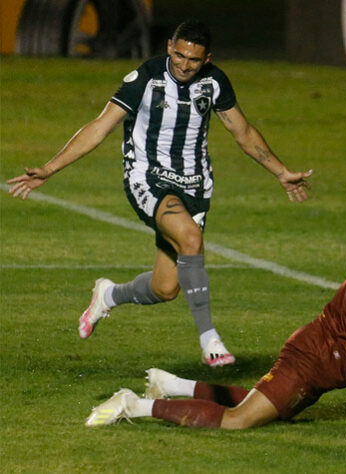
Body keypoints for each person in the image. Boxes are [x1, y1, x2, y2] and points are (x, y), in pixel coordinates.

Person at [6, 19, 313, 367]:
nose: (184, 65)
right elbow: (99, 127)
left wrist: (281, 172)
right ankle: (209, 338)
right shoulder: (146, 78)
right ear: (169, 46)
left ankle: (108, 295)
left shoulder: (214, 83)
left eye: (193, 60)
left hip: (194, 185)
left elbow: (243, 132)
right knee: (191, 238)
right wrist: (50, 168)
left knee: (166, 288)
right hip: (148, 177)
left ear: (206, 59)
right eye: (179, 55)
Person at [84, 206, 346, 431]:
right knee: (238, 420)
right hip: (313, 359)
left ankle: (172, 384)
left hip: (323, 364)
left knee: (263, 409)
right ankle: (134, 405)